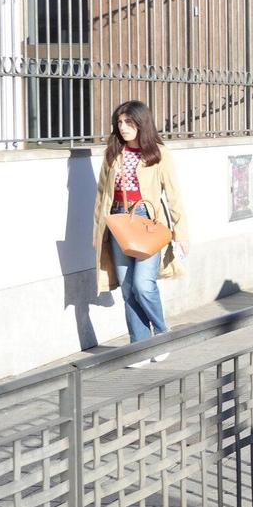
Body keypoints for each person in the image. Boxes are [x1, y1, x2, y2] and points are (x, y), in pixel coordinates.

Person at [93, 101, 191, 368]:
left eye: (129, 122)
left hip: (147, 222)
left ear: (141, 123)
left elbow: (173, 195)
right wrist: (98, 233)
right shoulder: (114, 153)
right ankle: (139, 346)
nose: (123, 128)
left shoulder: (158, 154)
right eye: (120, 123)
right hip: (118, 222)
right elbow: (102, 196)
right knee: (126, 288)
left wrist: (181, 234)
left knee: (142, 285)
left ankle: (162, 335)